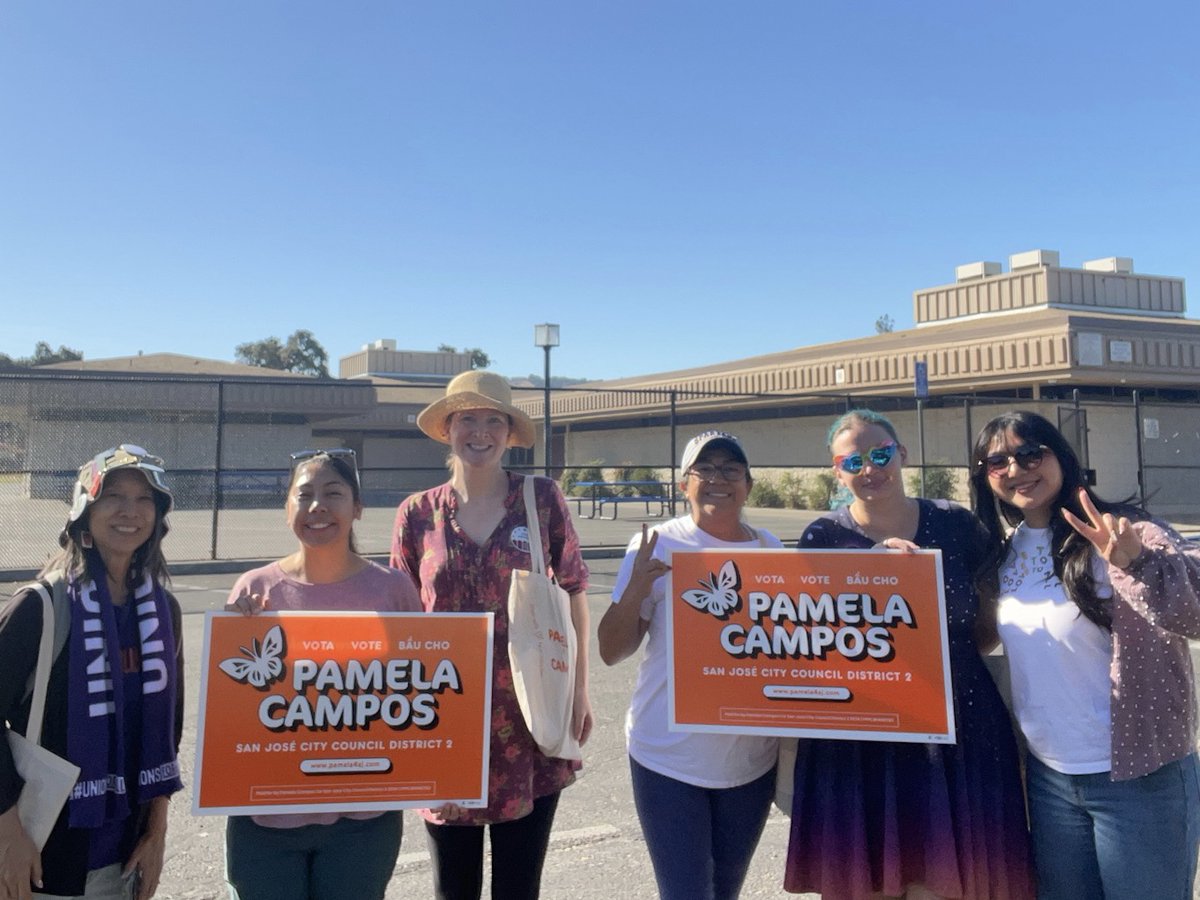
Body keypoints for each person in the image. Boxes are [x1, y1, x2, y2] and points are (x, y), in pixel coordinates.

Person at [784, 410, 1034, 900]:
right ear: (837, 471)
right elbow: (804, 644)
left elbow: (983, 630)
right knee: (869, 878)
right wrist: (865, 577)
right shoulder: (822, 539)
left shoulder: (957, 524)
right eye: (852, 460)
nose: (869, 468)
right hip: (860, 734)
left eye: (880, 454)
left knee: (950, 882)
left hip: (959, 724)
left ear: (902, 454)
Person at [969, 410, 1200, 899]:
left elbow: (1192, 610)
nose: (1017, 469)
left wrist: (1134, 563)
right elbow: (976, 638)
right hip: (1051, 780)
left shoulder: (1128, 531)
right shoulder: (1004, 553)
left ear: (1061, 456)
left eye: (1031, 452)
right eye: (998, 462)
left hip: (1141, 778)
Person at [390, 370, 592, 900]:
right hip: (445, 718)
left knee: (518, 887)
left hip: (529, 716)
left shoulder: (541, 498)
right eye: (468, 419)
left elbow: (573, 592)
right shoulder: (417, 514)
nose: (480, 432)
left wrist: (580, 692)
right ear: (448, 429)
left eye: (493, 420)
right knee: (453, 887)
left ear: (508, 432)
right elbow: (400, 615)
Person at [222, 449, 420, 900]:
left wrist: (441, 776)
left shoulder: (393, 590)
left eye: (334, 494)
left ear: (357, 508)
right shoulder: (254, 590)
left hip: (363, 826)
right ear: (286, 508)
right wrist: (233, 632)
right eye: (304, 494)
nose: (318, 507)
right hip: (265, 821)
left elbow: (420, 691)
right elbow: (234, 707)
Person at [598, 430, 782, 900]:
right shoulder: (656, 546)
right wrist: (636, 589)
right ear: (685, 483)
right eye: (705, 469)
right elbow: (611, 650)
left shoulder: (771, 549)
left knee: (725, 891)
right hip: (667, 756)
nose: (718, 479)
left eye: (731, 469)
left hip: (750, 761)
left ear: (749, 484)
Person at [0, 445, 184, 900]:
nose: (130, 511)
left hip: (124, 859)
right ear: (84, 510)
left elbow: (166, 731)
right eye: (114, 496)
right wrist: (8, 834)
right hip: (42, 856)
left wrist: (156, 830)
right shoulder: (41, 607)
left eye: (145, 499)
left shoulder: (163, 613)